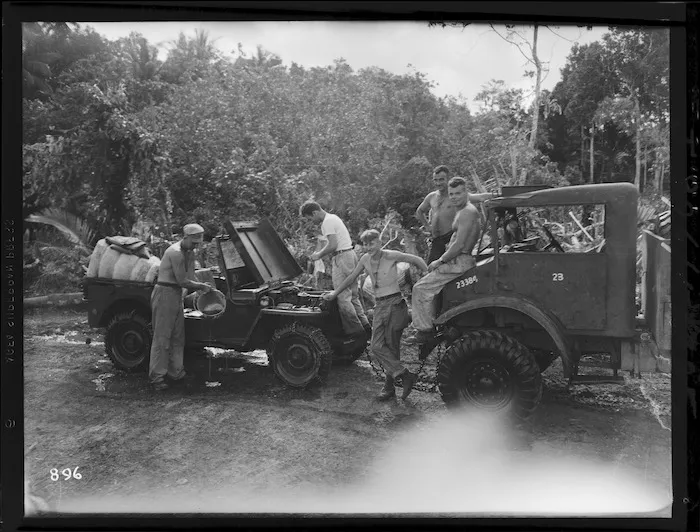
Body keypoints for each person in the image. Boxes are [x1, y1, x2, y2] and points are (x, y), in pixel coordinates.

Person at [323, 229, 428, 400]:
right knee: (376, 346)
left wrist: (426, 274)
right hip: (380, 306)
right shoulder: (365, 259)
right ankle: (405, 374)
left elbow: (415, 259)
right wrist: (335, 294)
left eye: (371, 243)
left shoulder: (391, 255)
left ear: (379, 242)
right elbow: (351, 278)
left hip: (395, 304)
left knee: (392, 347)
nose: (368, 247)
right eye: (365, 244)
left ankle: (389, 388)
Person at [408, 177, 482, 344]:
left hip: (460, 261)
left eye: (458, 193)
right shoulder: (466, 211)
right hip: (460, 259)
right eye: (452, 194)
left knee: (420, 288)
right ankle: (439, 321)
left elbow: (459, 245)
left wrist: (440, 261)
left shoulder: (466, 213)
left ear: (466, 193)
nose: (454, 197)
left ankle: (425, 331)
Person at [149, 223, 213, 391]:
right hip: (164, 292)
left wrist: (201, 287)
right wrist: (200, 287)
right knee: (162, 337)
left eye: (198, 243)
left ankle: (176, 372)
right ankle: (157, 377)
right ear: (184, 238)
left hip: (176, 294)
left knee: (178, 336)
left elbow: (191, 276)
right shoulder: (175, 253)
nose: (196, 246)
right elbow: (182, 280)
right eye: (193, 242)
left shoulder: (189, 253)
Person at [300, 201, 370, 336]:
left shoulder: (327, 222)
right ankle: (365, 327)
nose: (311, 221)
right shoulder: (333, 218)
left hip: (342, 257)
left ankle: (355, 333)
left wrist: (318, 255)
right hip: (350, 255)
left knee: (342, 297)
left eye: (310, 218)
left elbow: (333, 245)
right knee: (353, 296)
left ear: (314, 212)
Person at [416, 165, 496, 264]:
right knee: (431, 268)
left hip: (452, 237)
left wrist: (496, 195)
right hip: (437, 239)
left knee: (452, 267)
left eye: (441, 180)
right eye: (435, 180)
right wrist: (427, 226)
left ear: (448, 179)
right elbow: (419, 211)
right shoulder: (431, 197)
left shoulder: (457, 196)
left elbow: (479, 197)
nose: (438, 183)